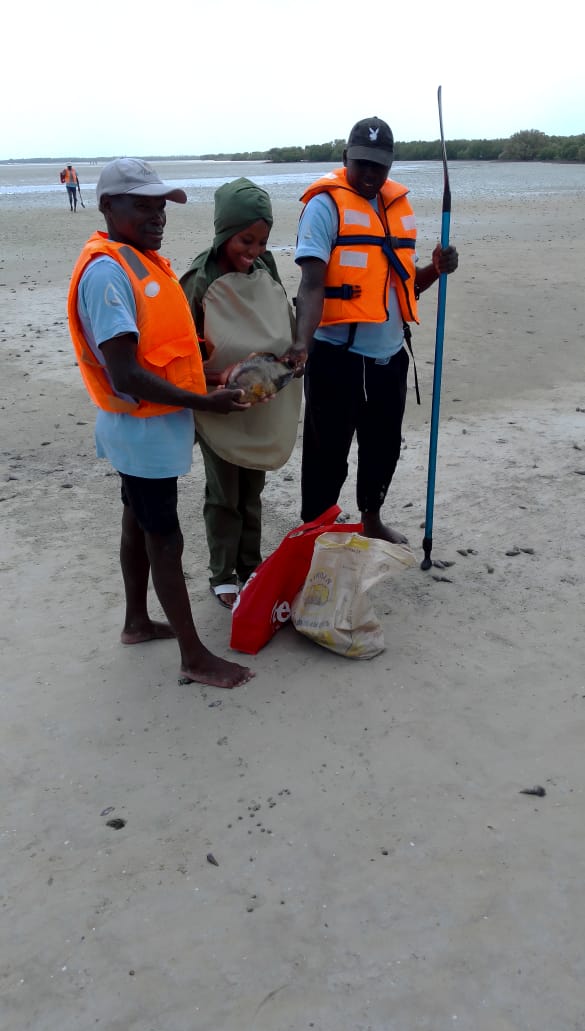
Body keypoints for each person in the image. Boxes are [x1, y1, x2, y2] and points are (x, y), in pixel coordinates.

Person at [67, 157, 254, 688]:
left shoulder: (140, 260)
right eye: (142, 204)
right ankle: (195, 657)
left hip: (148, 427)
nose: (157, 215)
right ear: (107, 205)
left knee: (137, 519)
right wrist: (203, 404)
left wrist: (212, 382)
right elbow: (126, 374)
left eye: (160, 204)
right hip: (140, 430)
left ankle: (135, 623)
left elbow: (159, 356)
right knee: (164, 537)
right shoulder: (108, 272)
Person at [287, 116, 459, 543]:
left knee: (383, 448)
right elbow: (311, 286)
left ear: (390, 165)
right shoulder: (324, 207)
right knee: (327, 455)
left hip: (389, 357)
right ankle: (316, 531)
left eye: (379, 166)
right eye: (361, 163)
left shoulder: (395, 208)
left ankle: (371, 518)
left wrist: (434, 270)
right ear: (346, 157)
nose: (369, 174)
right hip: (335, 358)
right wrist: (300, 345)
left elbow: (403, 286)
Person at [180, 178, 302, 608]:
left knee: (253, 489)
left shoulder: (265, 268)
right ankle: (222, 572)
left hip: (263, 398)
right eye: (245, 239)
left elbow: (281, 322)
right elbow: (178, 357)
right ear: (223, 232)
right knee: (224, 494)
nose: (253, 249)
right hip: (218, 405)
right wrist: (218, 381)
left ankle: (251, 564)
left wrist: (289, 361)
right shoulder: (198, 280)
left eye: (263, 240)